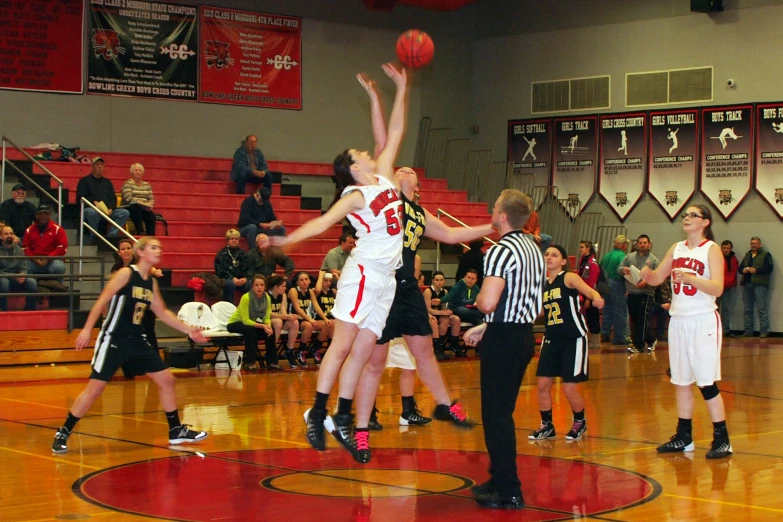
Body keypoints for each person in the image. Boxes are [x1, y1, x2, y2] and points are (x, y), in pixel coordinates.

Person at [270, 63, 409, 454]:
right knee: (344, 343)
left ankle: (342, 418)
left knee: (364, 350)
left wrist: (396, 90)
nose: (369, 151)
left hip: (387, 278)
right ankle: (316, 411)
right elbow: (320, 224)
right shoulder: (355, 196)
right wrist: (287, 241)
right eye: (361, 153)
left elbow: (393, 132)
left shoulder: (382, 175)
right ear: (352, 167)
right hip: (363, 272)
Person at [345, 166, 492, 463]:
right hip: (382, 286)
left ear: (418, 185)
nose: (405, 169)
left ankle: (446, 405)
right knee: (374, 363)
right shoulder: (386, 201)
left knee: (424, 352)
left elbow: (451, 234)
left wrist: (491, 227)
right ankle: (360, 430)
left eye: (410, 170)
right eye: (400, 169)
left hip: (408, 290)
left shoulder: (419, 213)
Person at [51, 238, 209, 454]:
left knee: (167, 380)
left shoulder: (150, 282)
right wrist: (87, 329)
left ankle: (175, 430)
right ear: (141, 252)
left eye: (160, 248)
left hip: (136, 339)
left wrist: (188, 330)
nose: (159, 251)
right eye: (154, 247)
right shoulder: (126, 274)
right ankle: (64, 431)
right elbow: (102, 300)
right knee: (95, 389)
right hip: (114, 338)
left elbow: (162, 312)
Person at [462, 189, 545, 510]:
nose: (491, 209)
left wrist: (485, 316)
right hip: (522, 335)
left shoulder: (500, 250)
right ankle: (499, 478)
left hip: (504, 339)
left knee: (496, 416)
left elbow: (487, 300)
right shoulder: (533, 249)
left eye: (494, 206)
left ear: (503, 216)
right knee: (502, 413)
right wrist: (489, 325)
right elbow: (531, 305)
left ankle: (509, 489)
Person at [640, 205, 733, 459]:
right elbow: (658, 277)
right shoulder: (676, 247)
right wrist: (646, 275)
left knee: (705, 381)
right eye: (686, 215)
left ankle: (722, 439)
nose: (687, 218)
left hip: (703, 320)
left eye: (693, 215)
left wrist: (692, 279)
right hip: (679, 321)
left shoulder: (711, 249)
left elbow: (717, 288)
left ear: (705, 222)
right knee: (681, 381)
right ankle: (684, 436)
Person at [528, 244, 603, 442]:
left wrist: (597, 297)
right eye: (546, 254)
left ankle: (579, 421)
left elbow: (589, 291)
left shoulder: (568, 277)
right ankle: (547, 425)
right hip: (551, 337)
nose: (549, 257)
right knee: (543, 384)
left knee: (569, 386)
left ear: (563, 261)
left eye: (554, 255)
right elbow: (540, 312)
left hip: (573, 337)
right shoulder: (542, 283)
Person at [111, 238, 163, 377]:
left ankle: (156, 368)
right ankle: (129, 370)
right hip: (127, 311)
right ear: (119, 252)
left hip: (144, 309)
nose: (126, 251)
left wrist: (155, 271)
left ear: (133, 250)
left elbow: (152, 270)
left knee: (149, 337)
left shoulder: (140, 265)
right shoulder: (116, 269)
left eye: (128, 248)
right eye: (123, 249)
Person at [226, 274, 279, 371]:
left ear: (265, 286)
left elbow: (266, 317)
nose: (259, 287)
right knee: (250, 330)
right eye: (257, 285)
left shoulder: (267, 298)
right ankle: (250, 362)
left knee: (271, 331)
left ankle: (271, 362)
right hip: (235, 323)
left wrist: (267, 326)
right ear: (252, 286)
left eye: (262, 285)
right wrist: (263, 326)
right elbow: (245, 321)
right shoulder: (246, 298)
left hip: (251, 323)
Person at [619, 234, 659, 353]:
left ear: (649, 244)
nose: (642, 245)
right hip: (632, 293)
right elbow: (619, 267)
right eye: (640, 243)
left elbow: (657, 278)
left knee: (642, 319)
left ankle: (638, 345)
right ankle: (651, 339)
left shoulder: (654, 260)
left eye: (644, 243)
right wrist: (623, 270)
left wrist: (646, 283)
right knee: (636, 319)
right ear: (637, 244)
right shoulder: (629, 257)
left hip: (646, 294)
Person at [76, 157, 130, 240]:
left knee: (124, 212)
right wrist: (93, 203)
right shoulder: (84, 181)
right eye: (97, 164)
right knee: (92, 212)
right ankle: (94, 237)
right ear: (93, 166)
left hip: (106, 210)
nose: (100, 166)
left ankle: (111, 235)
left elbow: (113, 198)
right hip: (91, 209)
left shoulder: (107, 182)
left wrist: (111, 208)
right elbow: (80, 198)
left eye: (102, 165)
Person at [287, 272, 328, 366]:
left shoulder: (310, 292)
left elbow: (316, 307)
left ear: (309, 281)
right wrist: (310, 320)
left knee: (326, 325)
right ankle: (300, 351)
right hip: (295, 319)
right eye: (301, 280)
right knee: (309, 326)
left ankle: (315, 350)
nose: (304, 282)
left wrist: (325, 318)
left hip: (307, 318)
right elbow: (297, 308)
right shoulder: (293, 291)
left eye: (306, 279)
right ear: (297, 282)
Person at [441, 269, 483, 357]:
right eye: (468, 277)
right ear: (464, 277)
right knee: (471, 314)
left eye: (473, 278)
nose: (470, 280)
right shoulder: (458, 286)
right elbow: (450, 296)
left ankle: (480, 349)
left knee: (479, 322)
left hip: (471, 312)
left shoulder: (476, 288)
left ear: (476, 280)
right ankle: (480, 349)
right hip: (457, 309)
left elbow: (480, 299)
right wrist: (440, 300)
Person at [23, 205, 67, 286]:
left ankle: (57, 289)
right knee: (24, 267)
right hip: (34, 261)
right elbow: (25, 248)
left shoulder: (57, 229)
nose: (43, 216)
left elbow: (62, 247)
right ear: (36, 215)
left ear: (49, 215)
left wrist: (48, 258)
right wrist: (34, 258)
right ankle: (31, 289)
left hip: (51, 261)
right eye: (40, 214)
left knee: (59, 267)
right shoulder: (29, 230)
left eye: (46, 214)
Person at [738, 236, 773, 338]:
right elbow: (740, 268)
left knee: (761, 309)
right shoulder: (747, 255)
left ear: (760, 244)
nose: (754, 245)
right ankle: (748, 331)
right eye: (752, 243)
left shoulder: (766, 255)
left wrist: (756, 270)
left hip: (760, 285)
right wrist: (743, 270)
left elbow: (769, 268)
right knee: (747, 309)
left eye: (756, 243)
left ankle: (764, 331)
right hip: (747, 284)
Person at [599, 235, 630, 345]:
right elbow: (624, 273)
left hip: (605, 284)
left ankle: (605, 333)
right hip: (617, 283)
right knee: (620, 311)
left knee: (608, 310)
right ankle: (620, 337)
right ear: (623, 245)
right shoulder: (622, 256)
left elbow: (600, 268)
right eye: (626, 244)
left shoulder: (607, 255)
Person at [266, 274, 301, 369]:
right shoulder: (266, 295)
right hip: (267, 322)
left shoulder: (283, 295)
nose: (285, 288)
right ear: (276, 287)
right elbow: (268, 314)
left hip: (279, 321)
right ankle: (272, 353)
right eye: (283, 286)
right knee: (278, 322)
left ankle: (289, 351)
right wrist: (284, 316)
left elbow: (283, 312)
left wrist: (289, 317)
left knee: (295, 322)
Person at [0, 224, 37, 311]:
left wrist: (22, 274)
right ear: (0, 236)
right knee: (4, 283)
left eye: (11, 233)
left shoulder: (19, 249)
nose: (9, 236)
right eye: (6, 234)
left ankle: (29, 311)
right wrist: (14, 276)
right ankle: (3, 311)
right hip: (3, 278)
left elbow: (23, 267)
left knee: (32, 282)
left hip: (16, 279)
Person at [214, 229, 250, 303]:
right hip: (227, 279)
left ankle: (248, 306)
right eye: (232, 239)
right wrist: (232, 278)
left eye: (236, 239)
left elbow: (249, 268)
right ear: (228, 240)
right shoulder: (221, 254)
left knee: (250, 283)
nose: (234, 240)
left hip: (241, 280)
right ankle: (229, 306)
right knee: (230, 284)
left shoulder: (243, 254)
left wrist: (245, 278)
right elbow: (219, 270)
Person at [577, 240, 601, 348]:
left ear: (588, 248)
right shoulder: (582, 260)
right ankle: (590, 338)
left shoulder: (593, 264)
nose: (580, 249)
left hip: (590, 294)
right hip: (583, 292)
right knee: (587, 316)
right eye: (580, 247)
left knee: (593, 316)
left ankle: (596, 341)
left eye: (582, 247)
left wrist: (588, 298)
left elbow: (592, 282)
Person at [121, 163, 156, 236]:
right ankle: (140, 232)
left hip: (143, 208)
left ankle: (151, 235)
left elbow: (151, 199)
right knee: (136, 208)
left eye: (140, 170)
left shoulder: (147, 185)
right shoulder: (127, 184)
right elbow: (129, 199)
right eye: (136, 170)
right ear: (131, 172)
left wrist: (150, 205)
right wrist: (142, 203)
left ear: (142, 172)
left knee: (151, 215)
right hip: (130, 207)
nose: (138, 172)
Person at [423, 270, 452, 360]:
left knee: (451, 319)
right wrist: (442, 312)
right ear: (433, 280)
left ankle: (441, 347)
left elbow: (443, 308)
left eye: (441, 280)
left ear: (444, 281)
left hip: (438, 313)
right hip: (427, 315)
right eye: (437, 280)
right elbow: (428, 309)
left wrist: (446, 312)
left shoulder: (445, 292)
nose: (439, 282)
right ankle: (436, 350)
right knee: (434, 322)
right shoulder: (428, 291)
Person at [720, 240, 738, 337]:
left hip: (728, 287)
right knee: (714, 309)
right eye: (724, 248)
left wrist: (733, 283)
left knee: (726, 309)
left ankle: (725, 329)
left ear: (731, 249)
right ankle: (714, 329)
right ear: (721, 248)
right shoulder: (717, 258)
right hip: (717, 287)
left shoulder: (734, 259)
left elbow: (734, 273)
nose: (726, 250)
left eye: (728, 248)